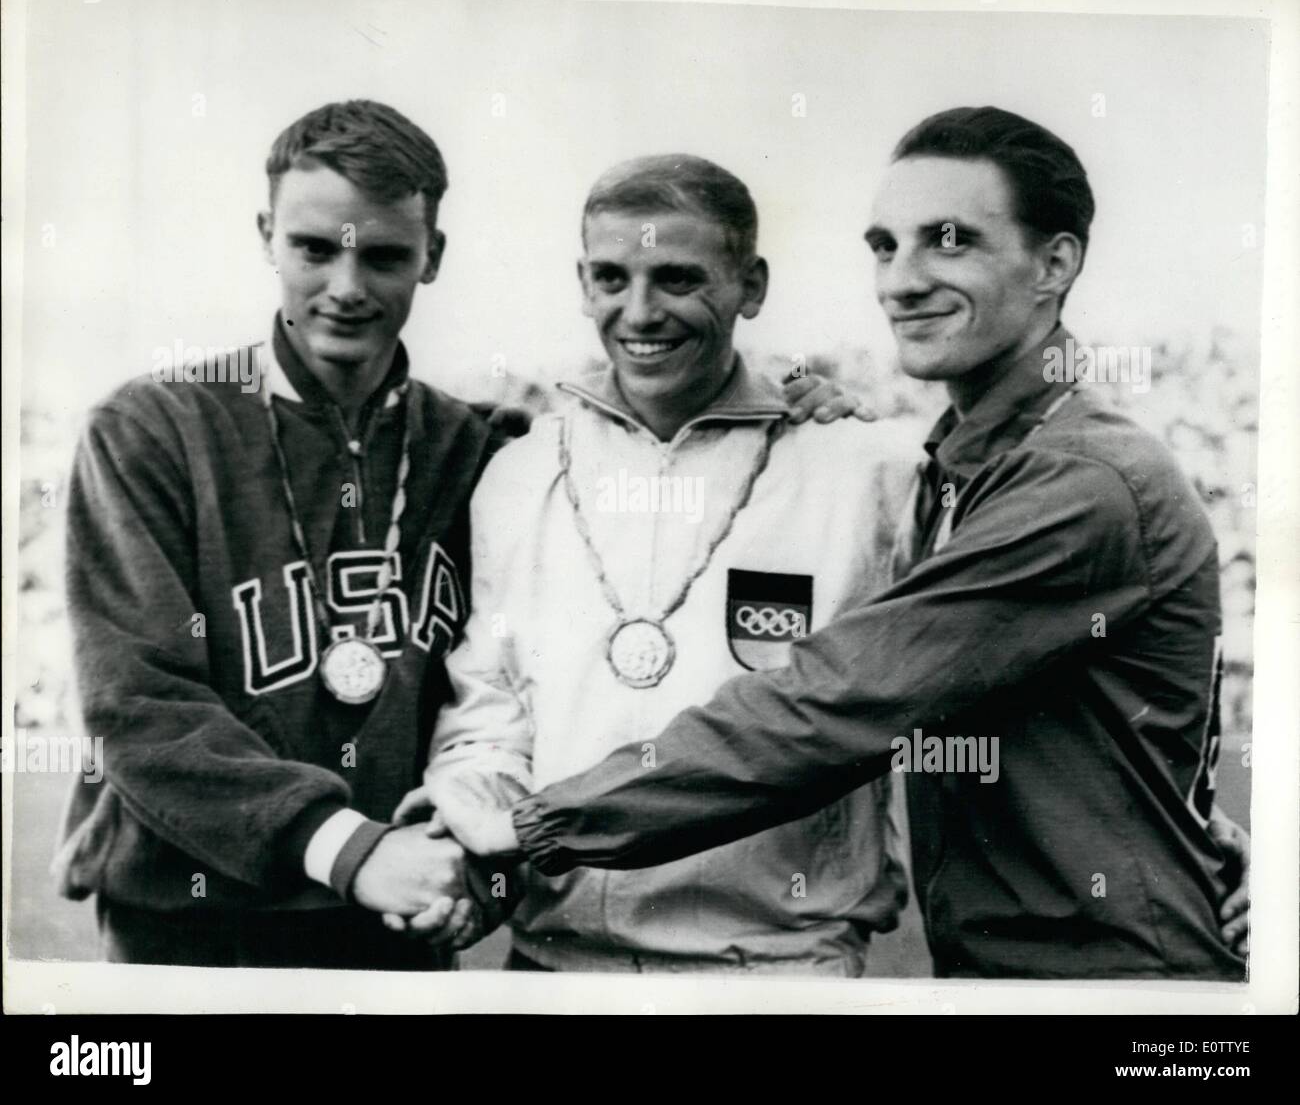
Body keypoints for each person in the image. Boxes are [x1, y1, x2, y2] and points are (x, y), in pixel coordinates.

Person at [435, 107, 1252, 980]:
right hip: (1007, 970)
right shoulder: (954, 463)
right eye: (884, 246)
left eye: (948, 241)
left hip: (1109, 989)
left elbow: (833, 705)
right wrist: (1198, 824)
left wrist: (535, 823)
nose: (901, 280)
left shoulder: (1077, 478)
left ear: (1055, 262)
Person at [53, 100, 857, 969]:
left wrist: (790, 404)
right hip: (194, 914)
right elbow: (137, 706)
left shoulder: (479, 449)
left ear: (432, 256)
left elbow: (511, 690)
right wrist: (346, 847)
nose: (348, 287)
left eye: (386, 255)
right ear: (267, 236)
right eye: (315, 248)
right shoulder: (151, 430)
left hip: (402, 910)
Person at [397, 155, 918, 975]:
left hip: (772, 971)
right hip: (552, 970)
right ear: (582, 282)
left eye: (677, 279)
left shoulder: (864, 473)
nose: (639, 312)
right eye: (611, 277)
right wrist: (474, 846)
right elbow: (490, 707)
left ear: (751, 286)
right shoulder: (522, 472)